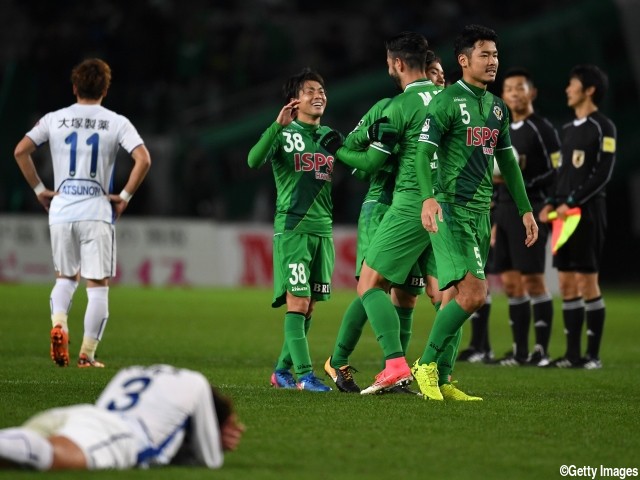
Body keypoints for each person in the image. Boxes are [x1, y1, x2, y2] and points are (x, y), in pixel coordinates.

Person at [414, 25, 538, 400]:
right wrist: (427, 197)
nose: (493, 62)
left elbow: (509, 164)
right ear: (464, 60)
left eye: (496, 55)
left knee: (455, 298)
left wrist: (525, 209)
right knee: (474, 295)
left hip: (482, 210)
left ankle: (445, 379)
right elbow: (422, 153)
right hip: (450, 209)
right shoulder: (447, 101)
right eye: (485, 54)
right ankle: (426, 365)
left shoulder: (498, 108)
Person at [319, 33, 444, 395]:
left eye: (442, 73)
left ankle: (398, 369)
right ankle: (341, 360)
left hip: (410, 204)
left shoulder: (398, 106)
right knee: (378, 288)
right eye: (435, 72)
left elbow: (360, 160)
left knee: (402, 294)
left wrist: (345, 149)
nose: (440, 79)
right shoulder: (394, 106)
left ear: (397, 64)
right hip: (386, 205)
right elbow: (363, 160)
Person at [14, 58, 151, 368]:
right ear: (105, 88)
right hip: (96, 210)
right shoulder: (116, 122)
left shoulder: (54, 119)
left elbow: (20, 151)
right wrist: (125, 196)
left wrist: (39, 190)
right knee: (97, 285)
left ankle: (59, 324)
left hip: (61, 209)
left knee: (65, 278)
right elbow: (143, 159)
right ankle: (87, 354)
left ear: (74, 87)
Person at [461, 68, 560, 367]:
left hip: (529, 206)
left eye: (520, 88)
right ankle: (519, 352)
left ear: (531, 93)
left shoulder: (541, 129)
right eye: (509, 89)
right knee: (511, 283)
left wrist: (527, 186)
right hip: (501, 210)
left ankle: (541, 350)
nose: (514, 94)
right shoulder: (500, 127)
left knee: (533, 281)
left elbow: (557, 171)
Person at [247, 68, 335, 392]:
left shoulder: (329, 137)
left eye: (321, 90)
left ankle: (280, 371)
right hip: (294, 229)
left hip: (322, 231)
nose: (319, 95)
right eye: (310, 90)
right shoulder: (284, 134)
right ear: (294, 101)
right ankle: (305, 375)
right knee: (297, 302)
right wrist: (276, 125)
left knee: (309, 305)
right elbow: (253, 160)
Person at [0, 365, 244, 470]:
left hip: (81, 414)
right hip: (120, 433)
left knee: (16, 461)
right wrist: (216, 440)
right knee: (50, 455)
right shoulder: (197, 383)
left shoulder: (133, 371)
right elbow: (210, 461)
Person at [539, 64, 616, 370]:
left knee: (587, 282)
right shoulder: (568, 130)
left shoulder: (604, 126)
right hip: (562, 215)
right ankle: (572, 355)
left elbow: (603, 173)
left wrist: (572, 200)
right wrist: (551, 202)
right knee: (567, 284)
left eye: (572, 85)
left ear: (589, 89)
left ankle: (592, 356)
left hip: (587, 212)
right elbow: (562, 174)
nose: (567, 90)